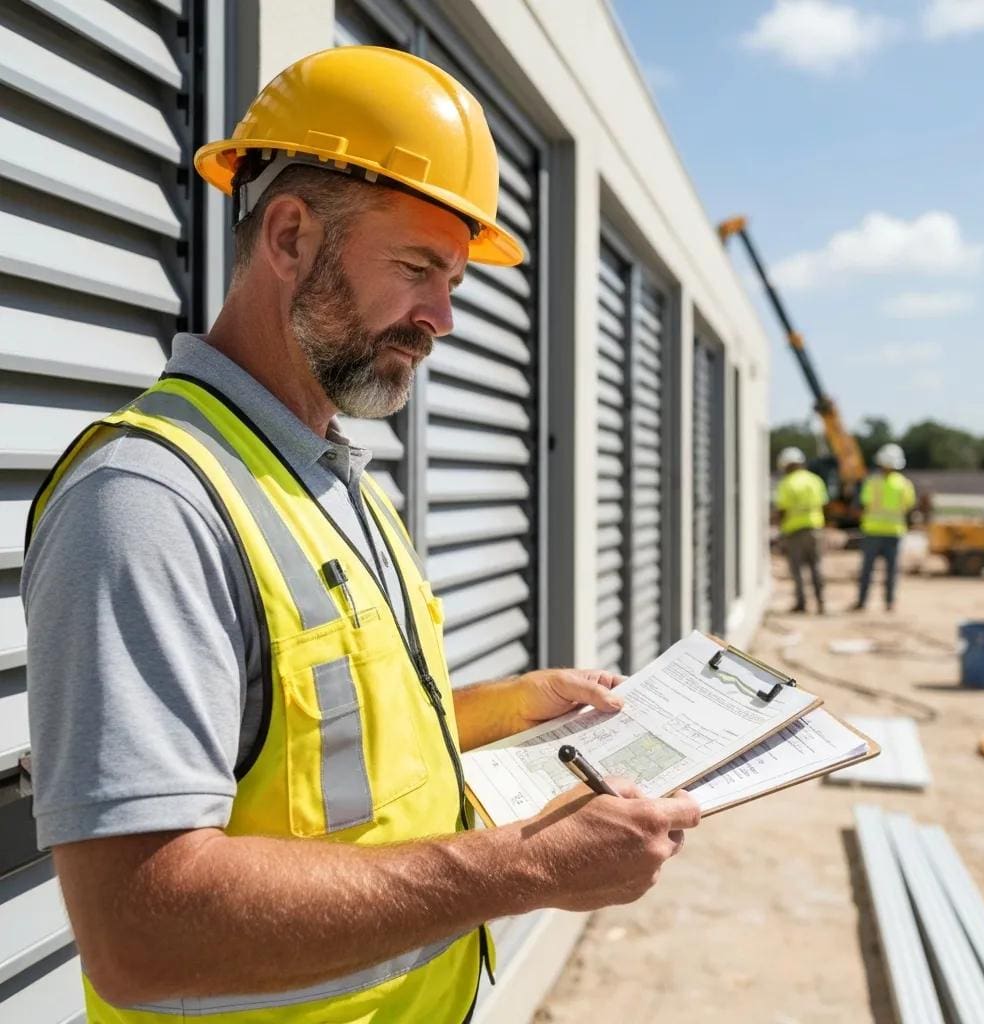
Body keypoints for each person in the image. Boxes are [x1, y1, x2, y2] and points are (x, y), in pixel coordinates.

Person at [22, 47, 700, 1024]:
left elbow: (317, 745)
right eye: (419, 268)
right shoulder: (148, 500)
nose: (442, 319)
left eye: (456, 281)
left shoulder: (332, 475)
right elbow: (139, 931)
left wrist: (508, 707)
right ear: (291, 235)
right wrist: (521, 868)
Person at [851, 443, 916, 612]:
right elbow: (909, 506)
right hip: (894, 532)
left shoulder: (872, 482)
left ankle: (862, 601)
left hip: (873, 531)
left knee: (867, 570)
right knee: (891, 571)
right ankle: (889, 603)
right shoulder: (904, 484)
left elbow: (863, 505)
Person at [773, 447, 828, 614]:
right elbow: (824, 503)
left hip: (794, 530)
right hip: (815, 528)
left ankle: (802, 603)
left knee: (797, 569)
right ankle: (821, 602)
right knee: (816, 566)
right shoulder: (815, 480)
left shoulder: (787, 483)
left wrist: (780, 530)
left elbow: (783, 510)